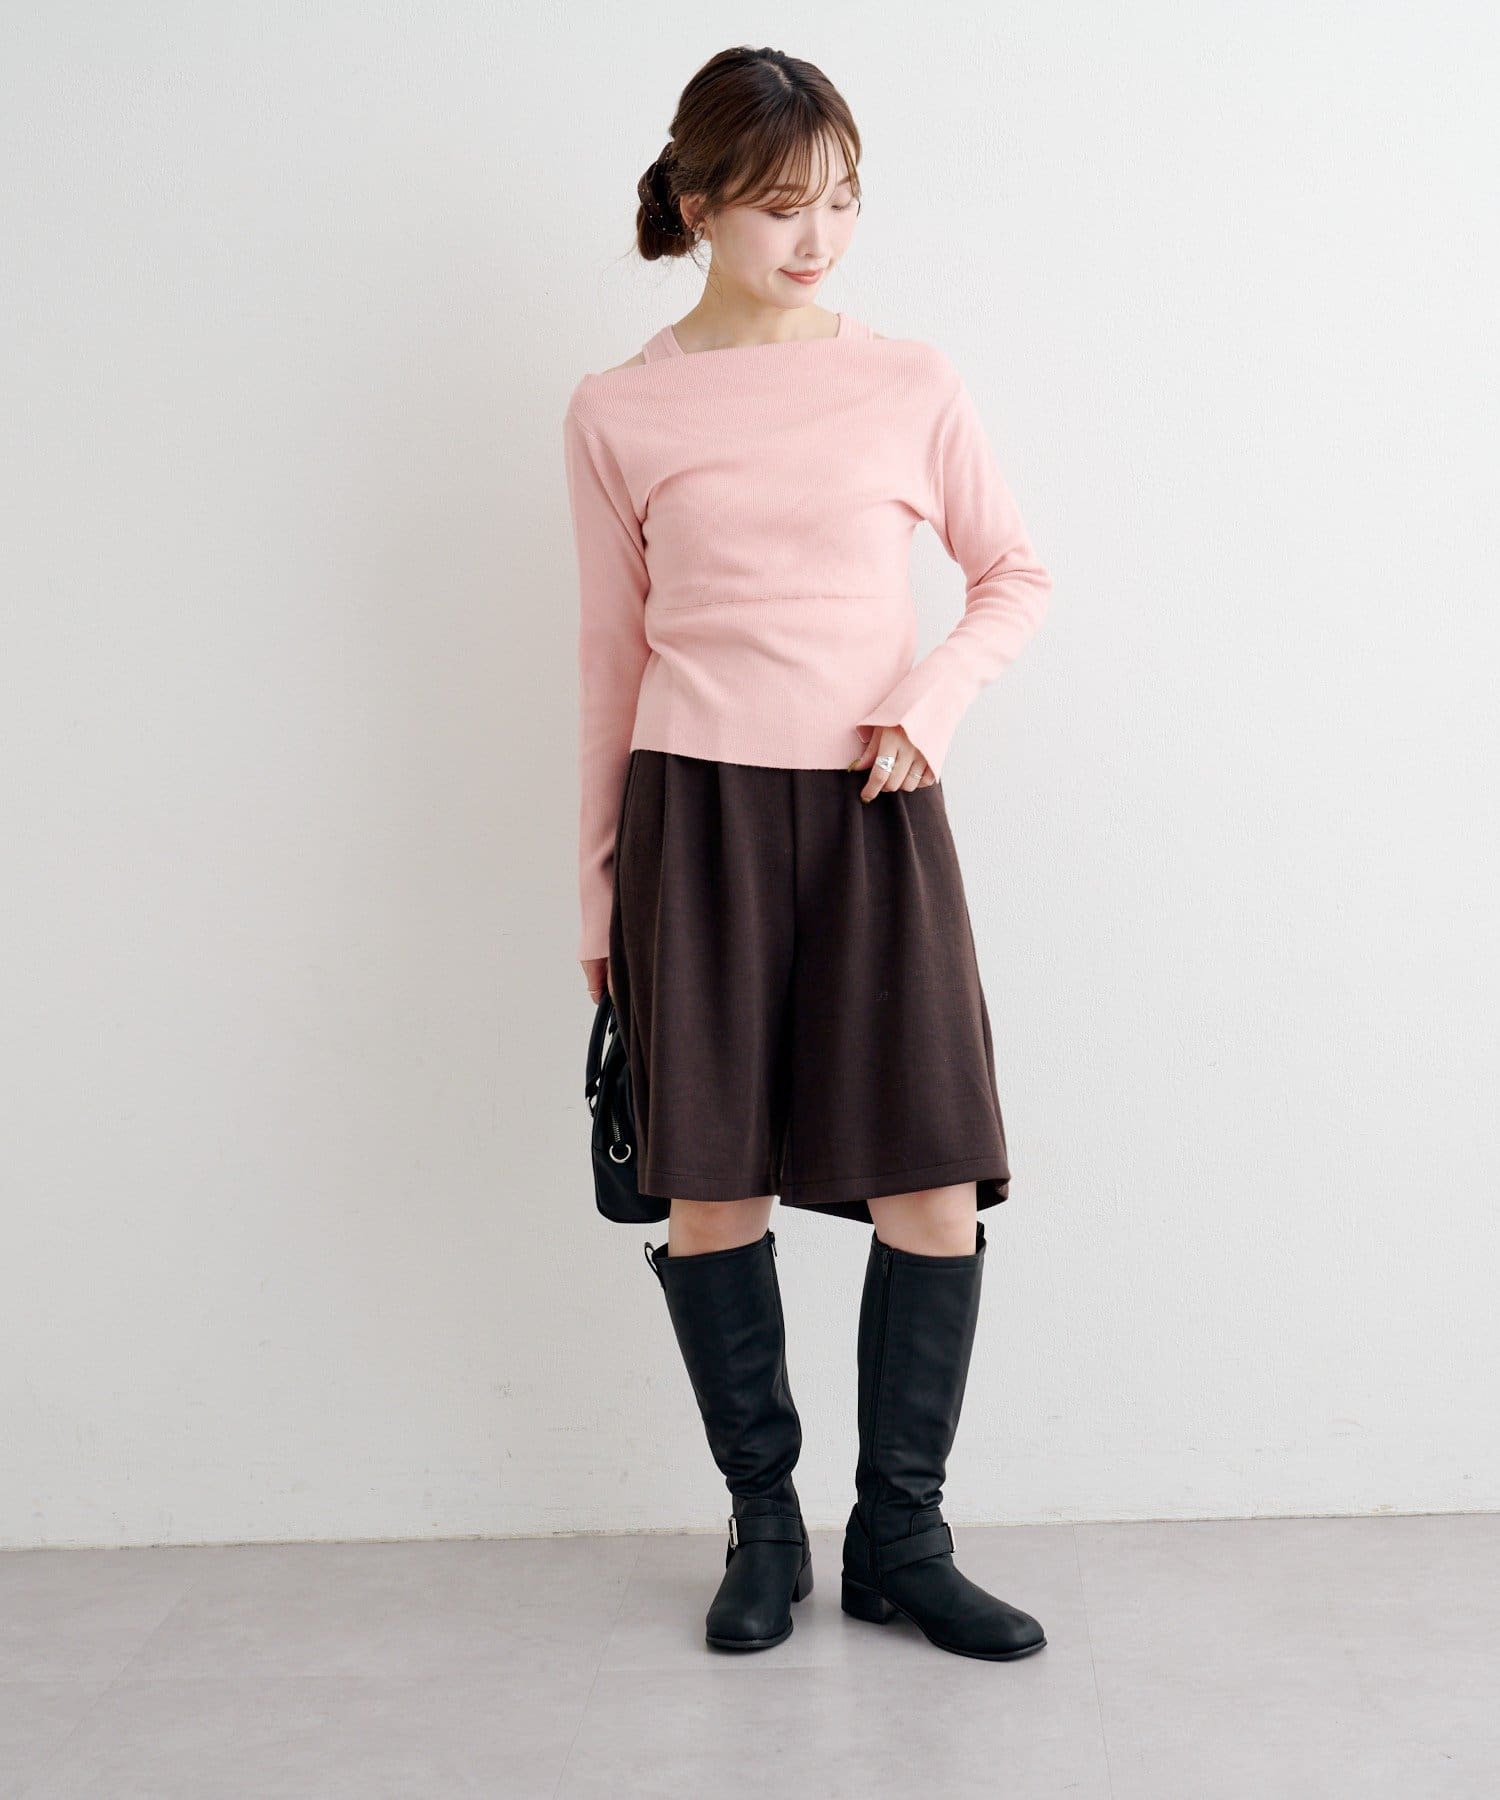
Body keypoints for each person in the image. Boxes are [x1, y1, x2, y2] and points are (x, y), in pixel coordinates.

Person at [562, 45, 1052, 1661]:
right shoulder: (618, 409)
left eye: (843, 201)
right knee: (713, 1191)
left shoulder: (910, 381)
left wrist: (932, 697)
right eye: (783, 206)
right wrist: (597, 898)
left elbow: (1014, 575)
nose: (819, 237)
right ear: (701, 202)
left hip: (870, 812)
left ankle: (901, 1538)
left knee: (931, 1182)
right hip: (692, 820)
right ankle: (763, 1531)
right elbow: (609, 660)